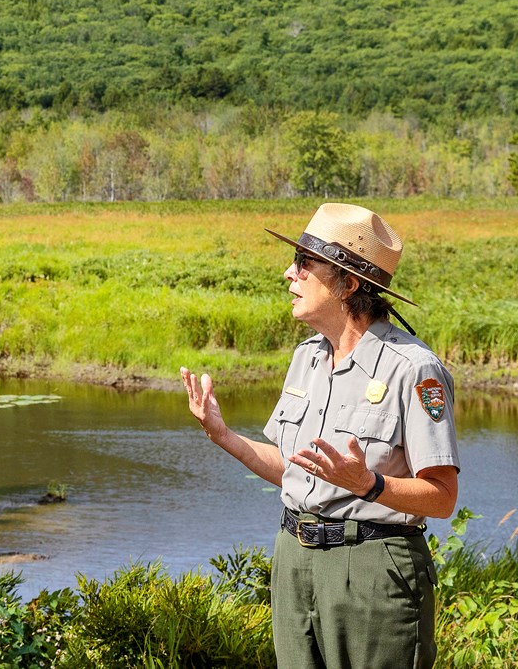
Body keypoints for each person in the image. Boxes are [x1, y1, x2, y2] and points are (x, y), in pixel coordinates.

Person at [182, 203, 459, 669]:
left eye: (305, 264)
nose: (288, 273)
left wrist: (369, 485)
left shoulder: (414, 369)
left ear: (348, 283)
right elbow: (296, 473)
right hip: (295, 558)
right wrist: (223, 434)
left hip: (373, 565)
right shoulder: (307, 357)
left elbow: (442, 497)